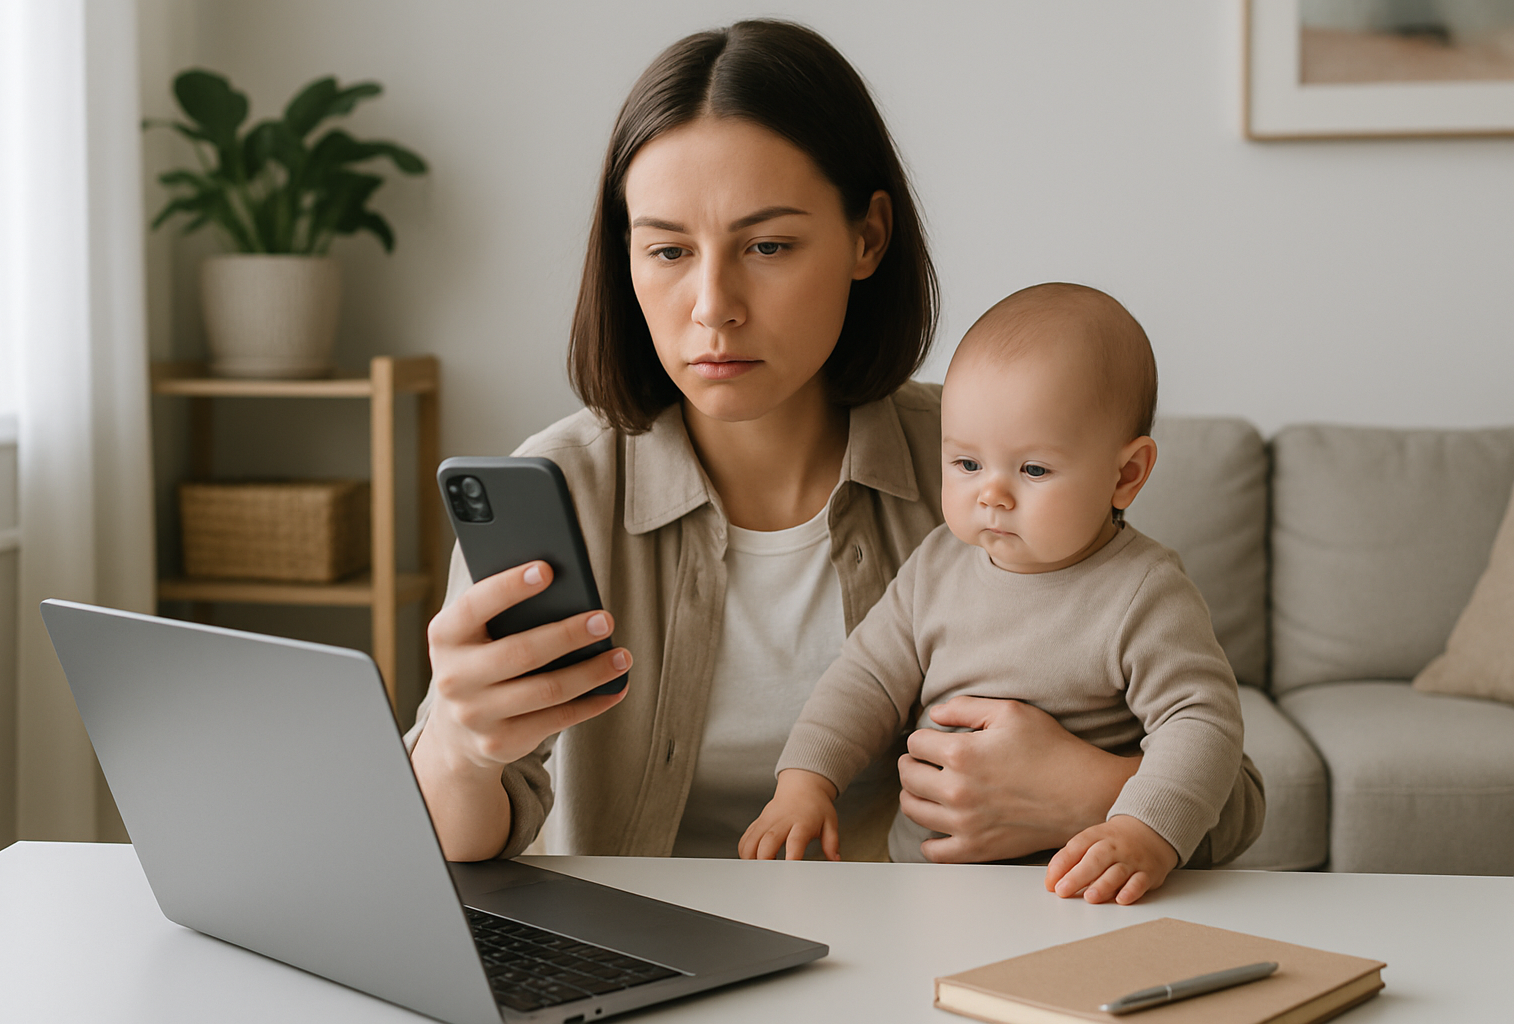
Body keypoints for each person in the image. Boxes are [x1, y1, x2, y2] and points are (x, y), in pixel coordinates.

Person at [406, 19, 1265, 866]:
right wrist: (456, 742)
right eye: (667, 250)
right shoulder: (561, 490)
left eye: (769, 244)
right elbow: (454, 849)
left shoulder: (985, 474)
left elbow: (1237, 810)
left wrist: (1087, 794)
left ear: (868, 237)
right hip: (636, 969)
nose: (713, 305)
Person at [740, 284, 1250, 905]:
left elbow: (1200, 722)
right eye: (966, 464)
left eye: (1033, 470)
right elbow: (864, 679)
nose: (993, 495)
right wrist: (805, 783)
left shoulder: (1144, 592)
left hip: (1080, 893)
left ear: (1126, 475)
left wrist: (1141, 828)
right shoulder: (937, 565)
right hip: (925, 886)